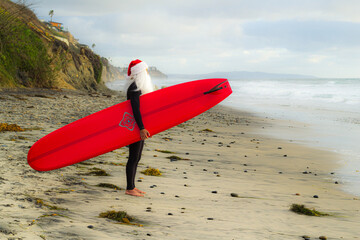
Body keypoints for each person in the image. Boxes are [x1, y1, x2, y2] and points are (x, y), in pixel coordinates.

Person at [123, 59, 154, 197]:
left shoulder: (137, 87)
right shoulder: (135, 88)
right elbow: (135, 109)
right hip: (135, 127)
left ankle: (132, 186)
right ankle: (130, 188)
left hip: (137, 125)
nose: (147, 73)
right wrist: (141, 128)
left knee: (137, 157)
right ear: (141, 72)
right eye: (145, 71)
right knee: (133, 157)